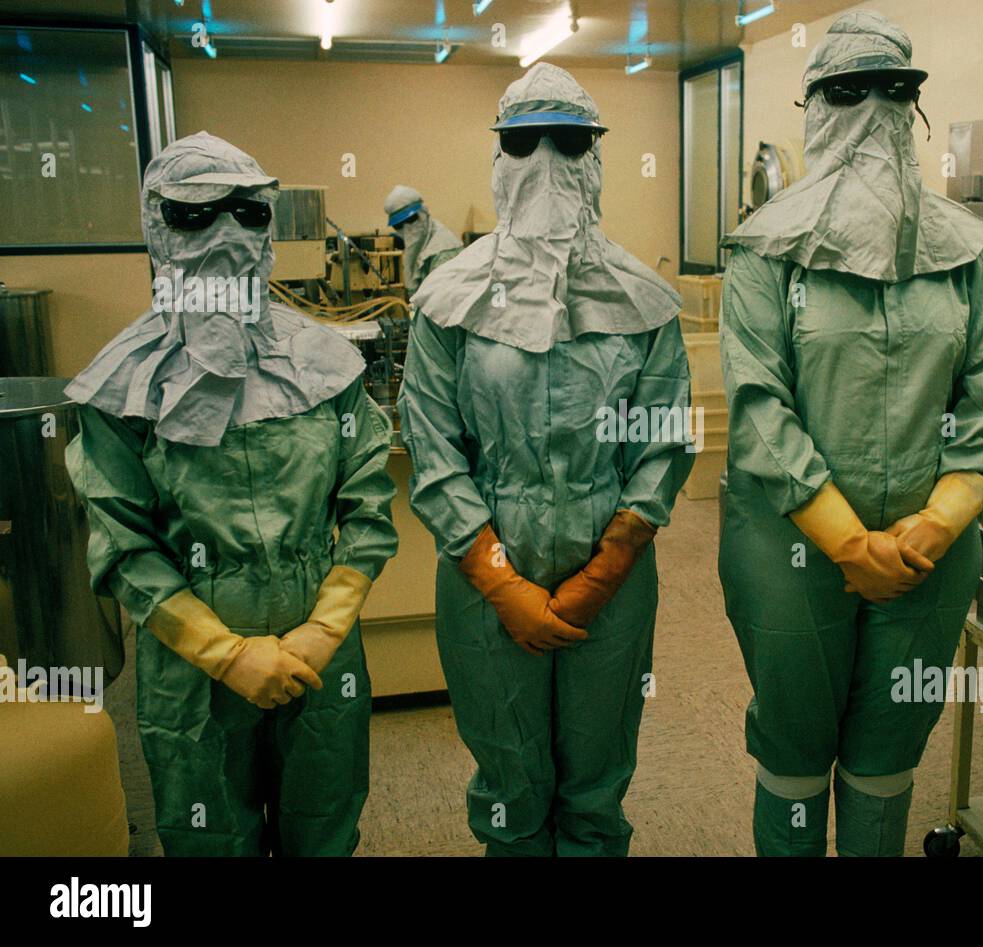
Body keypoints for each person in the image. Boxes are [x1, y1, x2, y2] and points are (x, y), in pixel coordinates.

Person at [717, 11, 983, 857]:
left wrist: (936, 522)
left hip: (930, 551)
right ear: (815, 109)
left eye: (898, 91)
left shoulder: (964, 252)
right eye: (852, 91)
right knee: (795, 750)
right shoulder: (766, 250)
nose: (877, 107)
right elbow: (758, 406)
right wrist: (849, 542)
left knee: (888, 755)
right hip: (791, 547)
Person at [65, 131, 398, 856]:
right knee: (211, 837)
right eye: (195, 215)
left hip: (322, 652)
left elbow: (369, 509)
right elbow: (124, 547)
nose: (226, 234)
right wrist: (225, 653)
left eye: (248, 213)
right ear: (157, 226)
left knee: (326, 831)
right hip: (191, 671)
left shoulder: (325, 365)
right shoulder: (120, 388)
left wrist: (319, 629)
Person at [398, 63, 694, 856]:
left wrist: (601, 576)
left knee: (595, 788)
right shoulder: (449, 300)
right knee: (509, 786)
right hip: (485, 568)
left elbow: (663, 439)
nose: (546, 162)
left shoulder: (641, 301)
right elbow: (433, 449)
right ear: (499, 157)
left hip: (617, 571)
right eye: (524, 142)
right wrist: (501, 583)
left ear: (594, 156)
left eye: (568, 142)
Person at [383, 185, 463, 295]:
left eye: (411, 220)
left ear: (424, 213)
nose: (407, 229)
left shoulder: (443, 250)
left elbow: (442, 301)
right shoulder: (421, 245)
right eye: (399, 225)